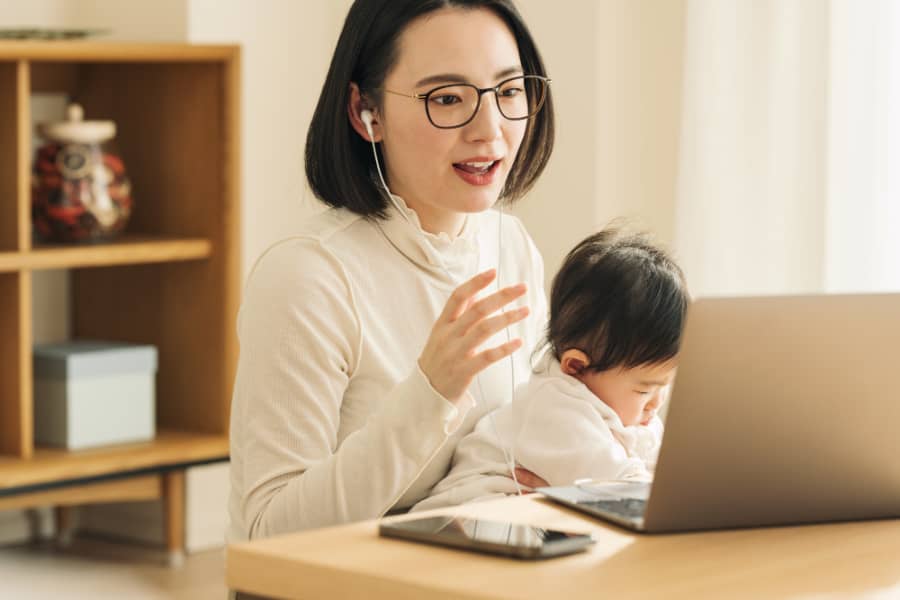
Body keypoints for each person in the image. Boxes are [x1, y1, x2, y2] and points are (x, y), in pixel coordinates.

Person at [227, 0, 555, 541]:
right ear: (366, 113)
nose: (489, 129)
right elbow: (271, 533)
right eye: (447, 98)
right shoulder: (307, 277)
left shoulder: (510, 245)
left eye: (508, 91)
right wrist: (431, 392)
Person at [413, 227, 689, 511]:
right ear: (576, 367)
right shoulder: (555, 408)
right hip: (463, 514)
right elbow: (621, 490)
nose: (656, 403)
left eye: (664, 385)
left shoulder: (633, 417)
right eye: (644, 389)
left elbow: (661, 478)